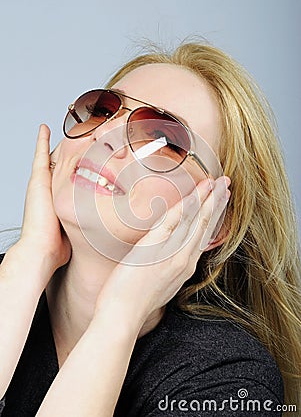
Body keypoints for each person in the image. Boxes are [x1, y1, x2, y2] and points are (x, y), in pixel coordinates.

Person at [0, 42, 300, 416]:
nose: (104, 138)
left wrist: (120, 315)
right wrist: (25, 263)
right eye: (102, 110)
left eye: (164, 139)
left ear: (216, 223)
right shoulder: (10, 282)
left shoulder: (227, 380)